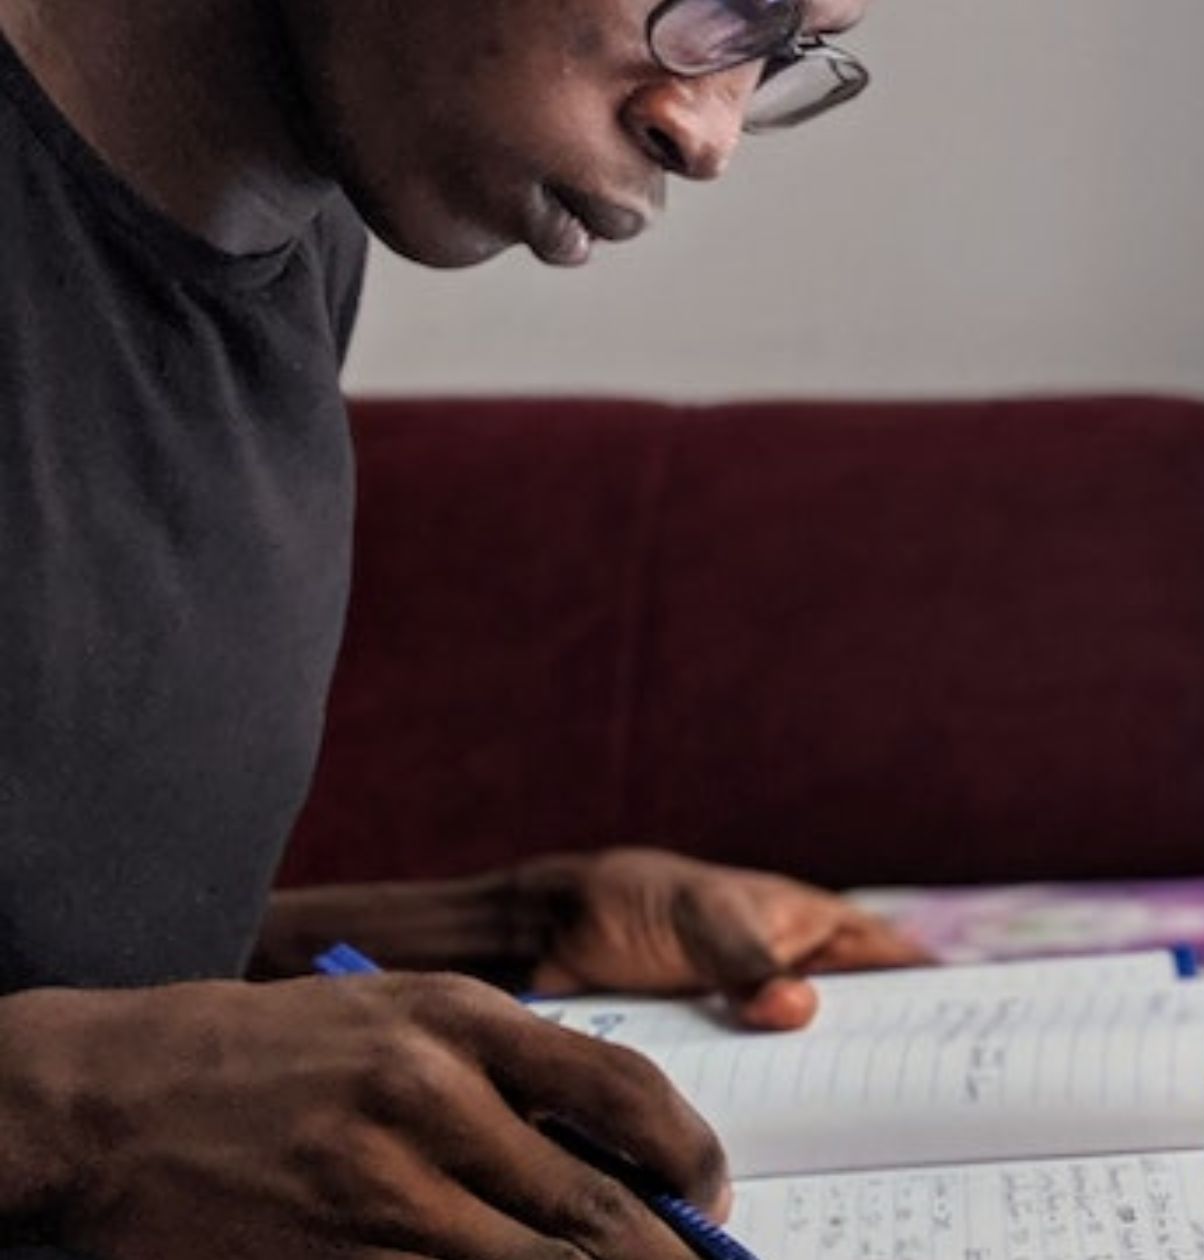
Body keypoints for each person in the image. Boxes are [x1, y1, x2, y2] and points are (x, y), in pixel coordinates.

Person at [0, 1, 924, 1256]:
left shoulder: (306, 228)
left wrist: (506, 932)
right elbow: (92, 1077)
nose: (711, 136)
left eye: (782, 48)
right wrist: (71, 1116)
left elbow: (82, 968)